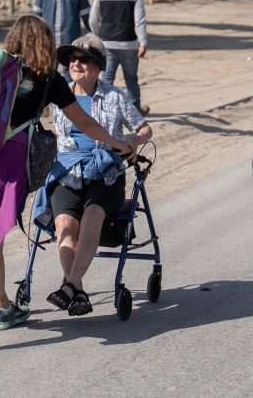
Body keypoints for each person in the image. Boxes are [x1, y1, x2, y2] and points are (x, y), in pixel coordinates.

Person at [0, 16, 132, 354]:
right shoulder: (47, 78)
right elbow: (83, 121)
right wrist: (117, 142)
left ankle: (4, 308)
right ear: (46, 43)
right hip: (3, 163)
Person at [43, 33, 153, 316]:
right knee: (65, 224)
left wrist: (132, 142)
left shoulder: (114, 97)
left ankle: (69, 286)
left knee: (92, 216)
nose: (75, 64)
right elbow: (56, 129)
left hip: (106, 174)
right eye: (72, 59)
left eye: (83, 59)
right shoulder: (59, 94)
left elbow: (145, 129)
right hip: (68, 173)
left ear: (98, 67)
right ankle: (76, 290)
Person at [90, 0, 150, 115]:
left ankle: (103, 111)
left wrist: (99, 36)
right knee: (131, 79)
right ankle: (135, 112)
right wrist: (143, 42)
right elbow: (140, 21)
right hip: (129, 45)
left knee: (107, 79)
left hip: (107, 45)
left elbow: (93, 19)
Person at [32, 0, 91, 80]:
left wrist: (35, 37)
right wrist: (93, 35)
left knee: (47, 71)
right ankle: (68, 97)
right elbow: (87, 18)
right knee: (70, 72)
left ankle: (47, 97)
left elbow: (36, 16)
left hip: (48, 38)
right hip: (70, 40)